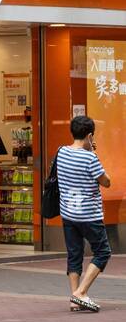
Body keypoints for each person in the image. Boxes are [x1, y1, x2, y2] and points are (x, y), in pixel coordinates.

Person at [56, 115, 113, 312]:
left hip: (68, 214)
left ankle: (74, 298)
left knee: (74, 254)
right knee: (103, 252)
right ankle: (81, 293)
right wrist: (93, 153)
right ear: (90, 136)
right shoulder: (90, 157)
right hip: (89, 215)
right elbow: (106, 182)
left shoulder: (61, 152)